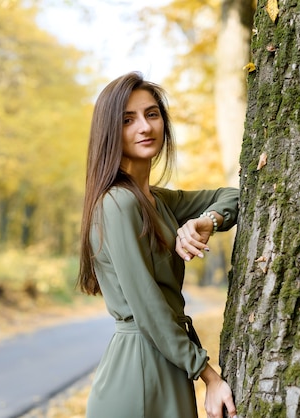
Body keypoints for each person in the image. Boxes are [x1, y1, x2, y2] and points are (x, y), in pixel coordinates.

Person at [78, 71, 239, 418]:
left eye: (152, 114)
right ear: (110, 131)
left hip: (165, 365)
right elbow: (149, 309)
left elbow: (234, 197)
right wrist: (209, 376)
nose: (145, 127)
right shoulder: (117, 204)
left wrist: (206, 222)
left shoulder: (157, 200)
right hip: (138, 372)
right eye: (127, 119)